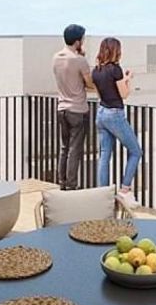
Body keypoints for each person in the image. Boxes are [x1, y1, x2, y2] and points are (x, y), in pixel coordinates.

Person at [91, 37, 142, 209]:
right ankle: (125, 190)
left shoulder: (96, 71)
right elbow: (124, 94)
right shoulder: (115, 69)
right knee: (136, 151)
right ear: (116, 51)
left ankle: (103, 194)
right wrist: (129, 78)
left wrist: (123, 79)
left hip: (101, 113)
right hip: (115, 114)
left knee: (105, 154)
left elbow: (102, 94)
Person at [53, 24, 94, 190]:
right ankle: (71, 185)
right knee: (74, 150)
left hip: (62, 108)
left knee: (64, 148)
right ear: (77, 41)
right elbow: (90, 83)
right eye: (82, 39)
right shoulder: (79, 60)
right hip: (77, 110)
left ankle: (62, 182)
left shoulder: (56, 57)